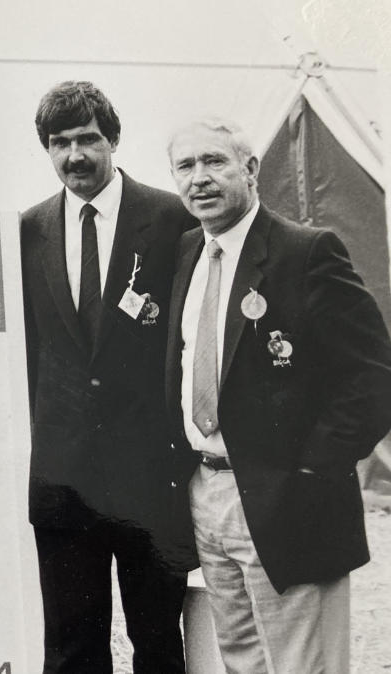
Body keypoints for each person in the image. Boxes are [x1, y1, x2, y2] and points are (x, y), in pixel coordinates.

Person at [165, 117, 391, 673]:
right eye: (186, 166)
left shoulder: (306, 252)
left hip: (288, 501)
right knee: (243, 661)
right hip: (208, 494)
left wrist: (313, 471)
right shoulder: (187, 253)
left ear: (250, 167)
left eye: (214, 161)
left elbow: (373, 374)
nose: (200, 178)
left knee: (302, 665)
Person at [19, 80, 197, 673]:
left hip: (149, 481)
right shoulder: (26, 231)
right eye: (60, 142)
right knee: (72, 650)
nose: (76, 155)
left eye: (88, 139)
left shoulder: (172, 221)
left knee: (158, 644)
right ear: (47, 149)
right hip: (65, 483)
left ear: (113, 139)